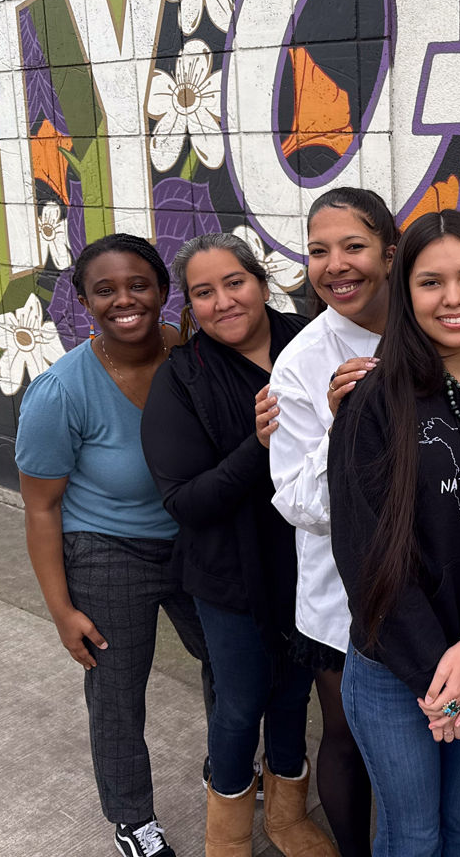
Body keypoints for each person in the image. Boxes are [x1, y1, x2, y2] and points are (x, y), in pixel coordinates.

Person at [139, 233, 338, 857]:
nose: (224, 301)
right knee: (240, 699)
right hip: (229, 572)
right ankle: (226, 836)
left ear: (261, 281)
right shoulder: (183, 379)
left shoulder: (312, 343)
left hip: (310, 561)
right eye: (204, 292)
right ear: (189, 306)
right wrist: (258, 445)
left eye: (235, 282)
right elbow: (186, 501)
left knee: (292, 692)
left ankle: (286, 817)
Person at [328, 209, 460, 857]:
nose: (454, 298)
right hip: (394, 665)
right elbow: (366, 556)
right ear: (406, 293)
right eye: (431, 282)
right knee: (413, 833)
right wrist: (437, 674)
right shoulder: (371, 401)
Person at [16, 233, 211, 857]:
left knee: (232, 663)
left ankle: (228, 766)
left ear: (163, 292)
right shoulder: (62, 392)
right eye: (105, 290)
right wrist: (61, 610)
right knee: (118, 690)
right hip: (108, 551)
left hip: (195, 541)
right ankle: (132, 818)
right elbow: (42, 508)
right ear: (83, 301)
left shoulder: (194, 356)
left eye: (138, 285)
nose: (124, 300)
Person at [265, 187, 400, 856]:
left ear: (390, 253)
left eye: (353, 246)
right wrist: (344, 427)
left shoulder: (434, 320)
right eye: (319, 250)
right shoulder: (302, 363)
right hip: (340, 598)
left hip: (434, 582)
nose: (335, 264)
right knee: (346, 734)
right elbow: (296, 501)